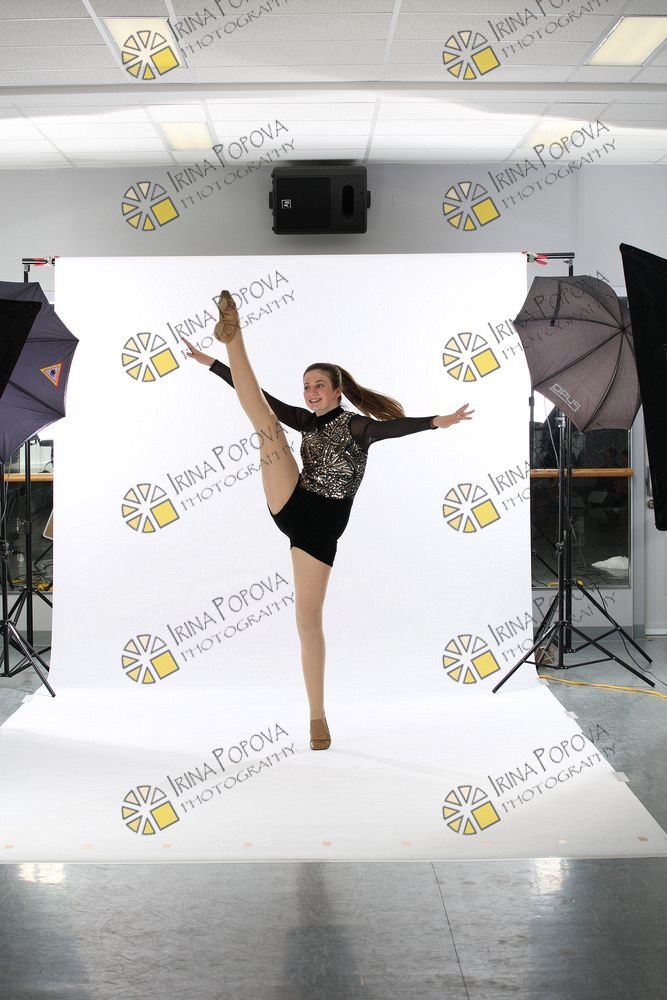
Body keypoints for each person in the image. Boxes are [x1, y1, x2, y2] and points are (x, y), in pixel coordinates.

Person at [183, 291, 473, 752]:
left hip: (320, 530)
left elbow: (391, 428)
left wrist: (437, 421)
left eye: (319, 385)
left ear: (337, 390)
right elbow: (258, 397)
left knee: (307, 621)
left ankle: (317, 717)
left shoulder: (356, 426)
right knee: (266, 424)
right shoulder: (305, 421)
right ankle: (233, 332)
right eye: (306, 386)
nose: (311, 392)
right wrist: (214, 363)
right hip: (292, 501)